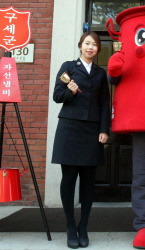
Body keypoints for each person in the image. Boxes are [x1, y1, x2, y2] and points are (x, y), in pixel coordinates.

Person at [52, 31, 110, 249]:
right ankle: (69, 226)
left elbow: (105, 103)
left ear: (97, 49)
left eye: (94, 45)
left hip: (92, 131)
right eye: (87, 43)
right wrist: (70, 91)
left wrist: (104, 129)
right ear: (80, 46)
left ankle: (83, 226)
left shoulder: (100, 73)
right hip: (69, 128)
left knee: (88, 181)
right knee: (68, 178)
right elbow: (57, 96)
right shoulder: (68, 67)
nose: (90, 47)